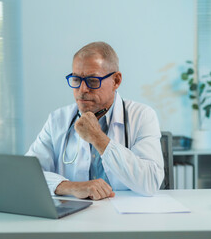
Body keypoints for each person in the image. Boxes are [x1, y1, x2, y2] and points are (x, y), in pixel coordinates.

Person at [26, 41, 164, 200]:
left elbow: (151, 181)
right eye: (76, 80)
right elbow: (28, 175)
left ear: (116, 81)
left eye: (92, 81)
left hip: (126, 219)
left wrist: (98, 138)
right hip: (74, 218)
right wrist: (71, 187)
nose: (82, 89)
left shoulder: (142, 116)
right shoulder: (58, 119)